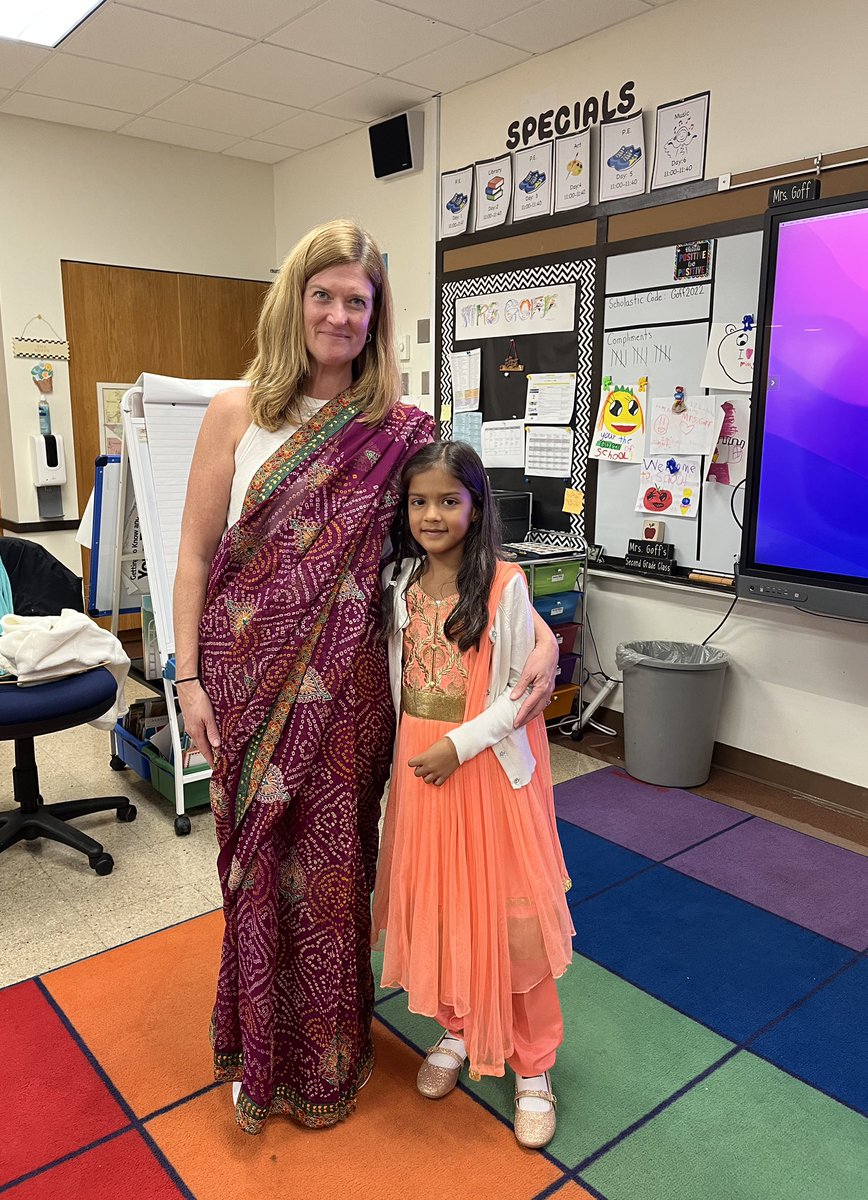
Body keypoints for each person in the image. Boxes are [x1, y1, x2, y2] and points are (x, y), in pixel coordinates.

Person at [173, 219, 560, 1135]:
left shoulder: (401, 429)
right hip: (243, 683)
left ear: (377, 314)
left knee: (338, 878)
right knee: (257, 872)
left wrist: (533, 625)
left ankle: (331, 1058)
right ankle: (258, 1055)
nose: (340, 314)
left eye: (358, 299)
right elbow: (194, 559)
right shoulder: (237, 414)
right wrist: (185, 678)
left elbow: (458, 546)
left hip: (350, 696)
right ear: (294, 301)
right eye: (324, 294)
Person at [373, 441, 574, 1150]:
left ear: (475, 506)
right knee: (443, 909)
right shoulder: (399, 582)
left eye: (448, 501)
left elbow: (521, 696)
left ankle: (533, 1067)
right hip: (420, 770)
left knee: (509, 920)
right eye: (419, 501)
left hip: (481, 771)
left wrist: (456, 746)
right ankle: (457, 1029)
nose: (432, 514)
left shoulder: (505, 586)